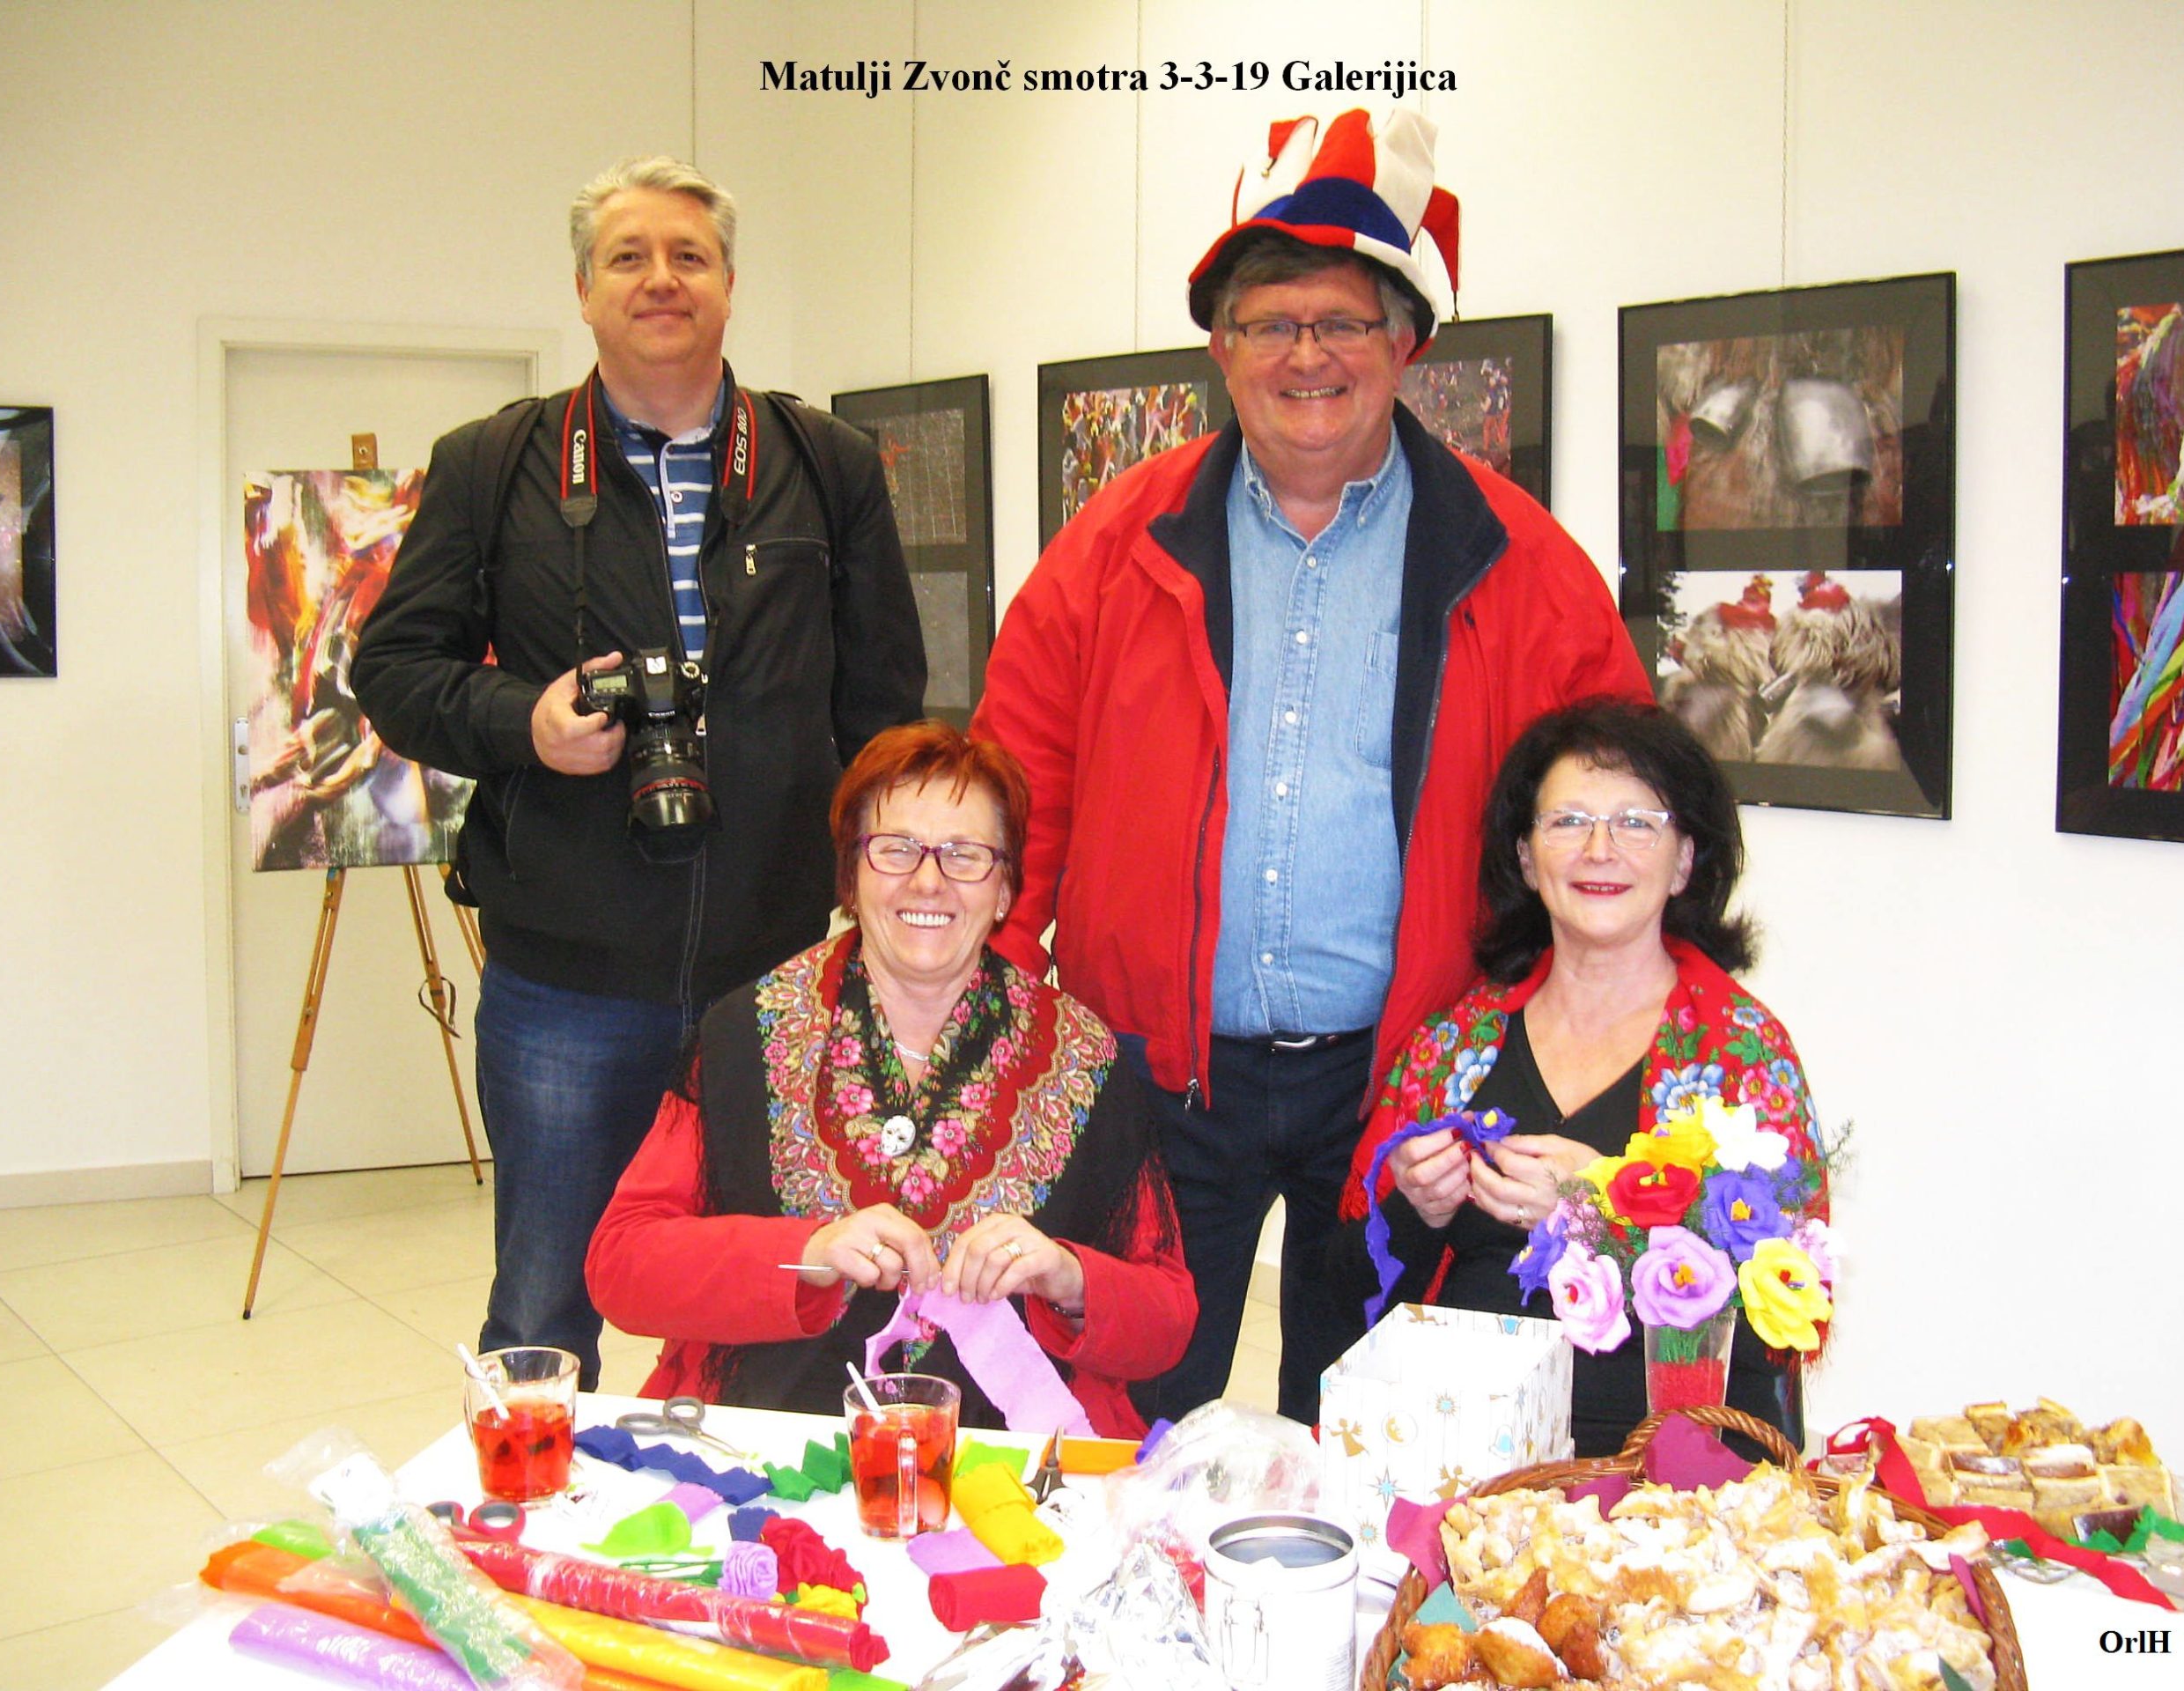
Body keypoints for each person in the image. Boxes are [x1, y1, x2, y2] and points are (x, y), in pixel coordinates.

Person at [971, 108, 1648, 1424]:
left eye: (1342, 321)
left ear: (1406, 342)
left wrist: (1576, 1036)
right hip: (1156, 1075)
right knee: (1119, 1425)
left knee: (1382, 1440)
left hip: (1410, 1096)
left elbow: (1616, 820)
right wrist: (997, 1026)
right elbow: (1013, 797)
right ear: (1219, 348)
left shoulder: (1523, 564)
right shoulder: (1113, 547)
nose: (1307, 355)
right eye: (1270, 322)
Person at [350, 157, 925, 1388]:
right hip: (566, 978)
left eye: (688, 256)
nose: (661, 280)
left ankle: (753, 1508)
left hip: (776, 972)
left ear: (728, 283)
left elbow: (883, 702)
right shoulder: (491, 464)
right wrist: (523, 721)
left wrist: (875, 899)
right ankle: (537, 1502)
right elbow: (392, 669)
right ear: (582, 290)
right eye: (629, 257)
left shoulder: (826, 463)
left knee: (784, 1292)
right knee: (544, 1305)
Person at [586, 722, 1195, 1436]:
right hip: (771, 1439)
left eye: (965, 854)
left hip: (1013, 1460)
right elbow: (621, 1266)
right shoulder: (743, 1033)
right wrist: (806, 1255)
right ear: (851, 876)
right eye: (896, 848)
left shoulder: (1083, 1057)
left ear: (1005, 889)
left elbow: (1168, 1320)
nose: (928, 880)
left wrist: (1068, 1277)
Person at [1341, 698, 1827, 1457]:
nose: (1600, 850)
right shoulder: (1456, 1042)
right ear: (1526, 858)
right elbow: (1357, 1294)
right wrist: (1414, 1208)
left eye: (1637, 823)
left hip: (1665, 1462)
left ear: (1685, 861)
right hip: (1460, 1446)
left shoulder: (1743, 1054)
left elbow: (1788, 1309)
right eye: (1568, 821)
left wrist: (1602, 1208)